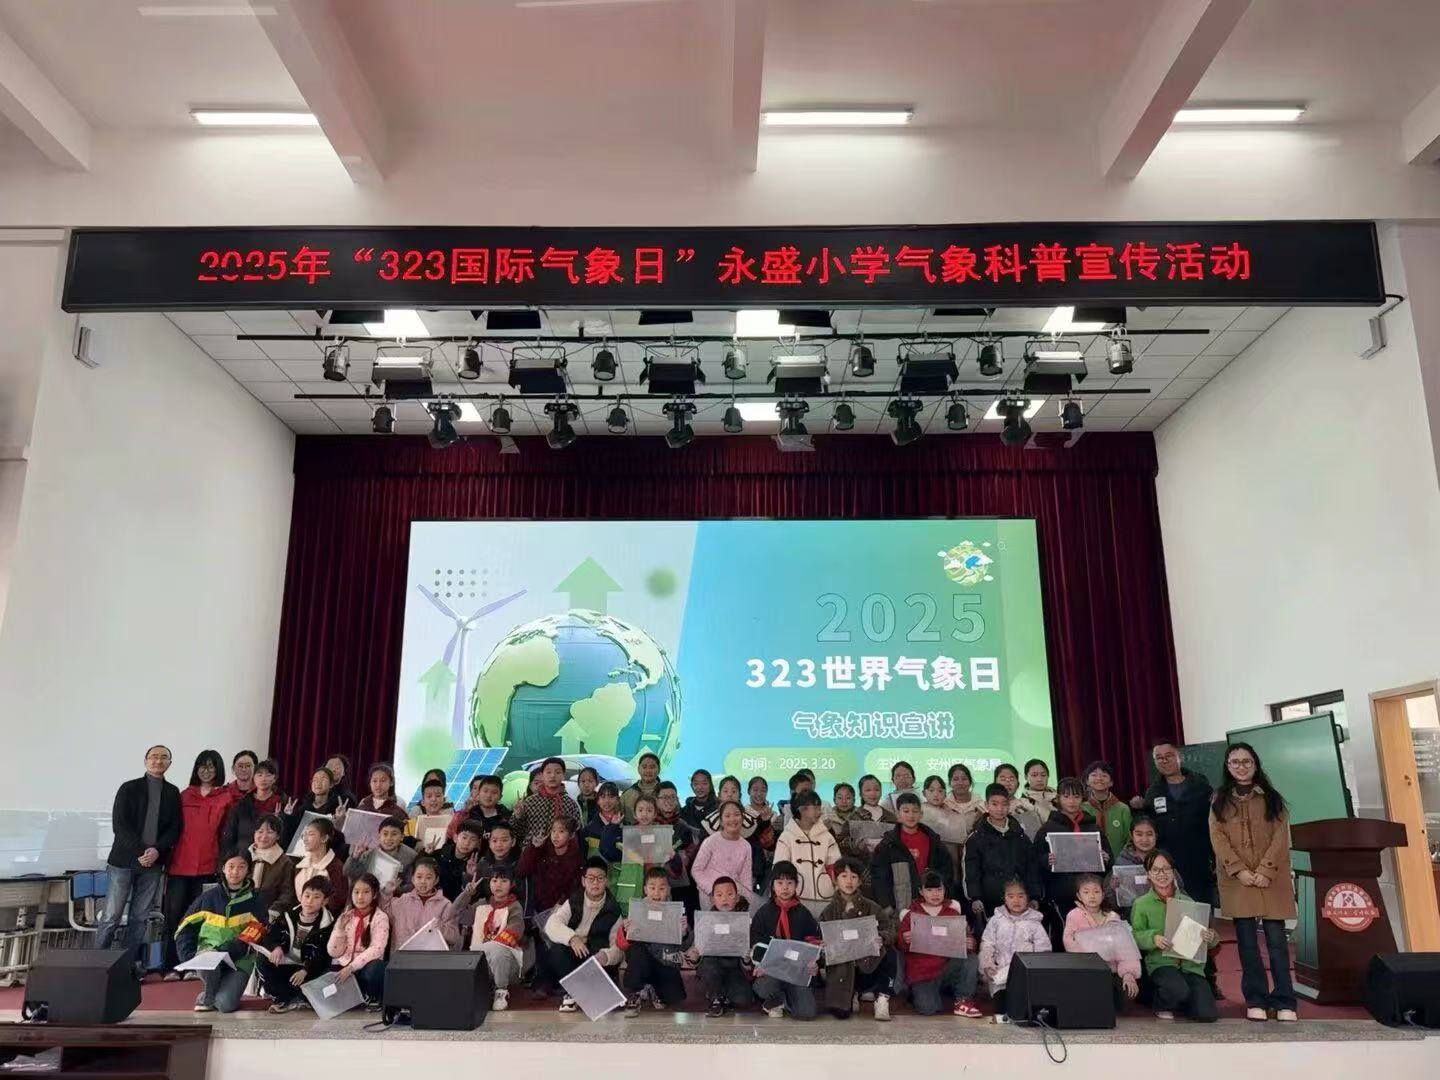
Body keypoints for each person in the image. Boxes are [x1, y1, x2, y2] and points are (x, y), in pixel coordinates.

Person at [1209, 742, 1298, 1022]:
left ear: (1255, 764)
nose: (1241, 767)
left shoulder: (1272, 798)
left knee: (1277, 943)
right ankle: (1256, 999)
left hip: (1271, 879)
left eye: (1246, 761)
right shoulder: (1219, 800)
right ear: (1227, 767)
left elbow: (1281, 837)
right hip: (1239, 881)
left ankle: (1284, 1001)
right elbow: (1218, 838)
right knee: (1247, 944)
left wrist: (1265, 869)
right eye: (1235, 762)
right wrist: (1239, 871)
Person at [97, 746, 181, 966]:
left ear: (169, 763)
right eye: (154, 757)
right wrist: (141, 851)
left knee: (140, 918)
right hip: (123, 862)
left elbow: (174, 828)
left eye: (164, 758)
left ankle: (127, 966)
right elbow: (120, 825)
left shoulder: (172, 792)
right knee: (111, 916)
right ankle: (97, 964)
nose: (158, 761)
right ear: (145, 761)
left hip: (153, 864)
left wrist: (157, 850)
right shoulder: (129, 788)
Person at [163, 749, 235, 978]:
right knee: (174, 916)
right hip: (179, 865)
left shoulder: (225, 798)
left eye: (211, 766)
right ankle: (173, 966)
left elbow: (226, 834)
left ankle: (195, 965)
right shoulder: (184, 795)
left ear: (218, 769)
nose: (206, 771)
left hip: (208, 867)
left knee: (201, 918)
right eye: (202, 766)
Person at [1131, 850, 1219, 1022]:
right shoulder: (1141, 904)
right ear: (1148, 874)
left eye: (1166, 869)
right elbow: (1135, 935)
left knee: (1207, 1014)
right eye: (1155, 870)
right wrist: (1153, 938)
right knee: (1177, 989)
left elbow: (1204, 935)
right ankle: (1160, 1002)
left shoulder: (1188, 901)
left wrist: (1211, 937)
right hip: (1162, 963)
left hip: (1190, 965)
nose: (1161, 874)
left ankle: (1182, 1000)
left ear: (1173, 872)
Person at [175, 849, 266, 1013]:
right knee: (207, 960)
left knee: (225, 1005)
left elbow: (256, 933)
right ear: (223, 868)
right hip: (209, 958)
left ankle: (209, 994)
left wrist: (223, 951)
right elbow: (184, 928)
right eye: (231, 866)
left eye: (241, 867)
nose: (235, 872)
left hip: (240, 961)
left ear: (248, 870)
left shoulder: (256, 900)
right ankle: (209, 995)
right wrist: (189, 957)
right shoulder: (208, 897)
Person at [1134, 738, 1216, 906]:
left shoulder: (1201, 786)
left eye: (1169, 756)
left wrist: (1215, 858)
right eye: (1159, 758)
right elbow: (1149, 827)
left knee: (1202, 910)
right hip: (1168, 864)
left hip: (1200, 861)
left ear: (1179, 757)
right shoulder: (1152, 792)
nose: (1164, 761)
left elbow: (1215, 823)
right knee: (1173, 912)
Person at [543, 856, 624, 1012]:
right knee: (557, 950)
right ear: (583, 881)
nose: (595, 883)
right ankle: (576, 993)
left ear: (606, 881)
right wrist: (572, 938)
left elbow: (618, 947)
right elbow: (551, 924)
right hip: (575, 955)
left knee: (603, 960)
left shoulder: (614, 910)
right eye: (591, 878)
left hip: (595, 959)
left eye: (600, 878)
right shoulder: (573, 901)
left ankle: (576, 994)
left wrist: (606, 956)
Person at [820, 857, 896, 1021]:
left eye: (853, 877)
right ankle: (852, 993)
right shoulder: (828, 912)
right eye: (844, 876)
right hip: (843, 969)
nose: (849, 881)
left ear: (860, 881)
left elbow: (889, 930)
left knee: (890, 952)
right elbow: (820, 943)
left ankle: (882, 997)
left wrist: (881, 937)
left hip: (867, 964)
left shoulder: (872, 907)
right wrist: (824, 946)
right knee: (841, 1014)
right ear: (835, 880)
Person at [898, 869, 982, 1017]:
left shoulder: (952, 912)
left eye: (939, 889)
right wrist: (904, 939)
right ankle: (918, 994)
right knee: (928, 1009)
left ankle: (963, 1000)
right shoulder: (911, 915)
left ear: (944, 890)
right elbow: (900, 944)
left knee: (971, 958)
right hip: (923, 974)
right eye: (929, 890)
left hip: (946, 969)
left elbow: (966, 939)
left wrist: (970, 943)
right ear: (921, 891)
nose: (935, 894)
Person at [1035, 777, 1114, 931]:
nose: (1071, 801)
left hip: (1090, 895)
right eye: (1066, 796)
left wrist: (1105, 859)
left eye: (1076, 796)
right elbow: (1035, 859)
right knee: (1063, 933)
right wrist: (1046, 860)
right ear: (1058, 798)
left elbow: (1109, 859)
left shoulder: (1093, 827)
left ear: (1082, 798)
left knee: (1093, 932)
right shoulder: (1048, 828)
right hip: (1060, 893)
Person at [748, 861, 820, 1020]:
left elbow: (813, 942)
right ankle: (778, 998)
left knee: (807, 1012)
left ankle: (779, 1002)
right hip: (771, 971)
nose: (785, 888)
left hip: (796, 972)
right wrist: (760, 964)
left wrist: (814, 964)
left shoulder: (803, 913)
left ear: (796, 886)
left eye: (790, 883)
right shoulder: (763, 913)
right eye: (780, 883)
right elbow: (755, 942)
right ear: (772, 886)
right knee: (763, 987)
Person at [618, 866, 692, 1016]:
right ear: (645, 889)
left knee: (674, 997)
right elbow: (622, 944)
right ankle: (637, 992)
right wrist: (626, 930)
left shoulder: (675, 911)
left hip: (665, 961)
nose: (657, 893)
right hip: (642, 960)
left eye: (662, 888)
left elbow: (686, 946)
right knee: (637, 953)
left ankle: (654, 988)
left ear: (668, 890)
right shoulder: (637, 910)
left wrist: (684, 932)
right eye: (652, 888)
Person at [256, 876, 336, 1013]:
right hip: (287, 963)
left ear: (325, 901)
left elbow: (323, 955)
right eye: (307, 895)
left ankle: (293, 997)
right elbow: (270, 935)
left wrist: (306, 970)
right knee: (263, 960)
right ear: (301, 896)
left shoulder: (328, 925)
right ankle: (285, 998)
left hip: (309, 970)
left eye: (316, 897)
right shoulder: (287, 916)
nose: (309, 901)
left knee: (320, 980)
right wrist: (276, 947)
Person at [964, 784, 1041, 924]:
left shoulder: (1020, 836)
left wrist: (1035, 895)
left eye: (1004, 804)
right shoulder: (976, 838)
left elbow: (1031, 868)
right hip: (990, 901)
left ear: (1009, 805)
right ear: (986, 805)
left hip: (1019, 901)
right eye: (994, 804)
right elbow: (971, 871)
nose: (1000, 809)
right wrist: (975, 897)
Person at [1063, 874, 1139, 1011]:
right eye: (1086, 892)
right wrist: (1092, 960)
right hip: (1087, 970)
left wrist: (1128, 974)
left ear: (1103, 894)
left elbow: (1125, 949)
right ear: (1079, 896)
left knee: (1127, 995)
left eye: (1096, 891)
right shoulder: (1074, 916)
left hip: (1111, 970)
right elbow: (1070, 942)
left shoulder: (1113, 917)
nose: (1092, 896)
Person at [978, 878, 1050, 1022]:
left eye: (1020, 896)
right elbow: (987, 943)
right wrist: (988, 964)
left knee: (1022, 1012)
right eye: (1010, 896)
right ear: (1004, 898)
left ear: (1027, 898)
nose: (1016, 900)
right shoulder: (996, 920)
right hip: (1000, 973)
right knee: (1001, 1011)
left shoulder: (1034, 923)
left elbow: (1043, 950)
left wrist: (1034, 971)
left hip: (1025, 975)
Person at [871, 792, 955, 912]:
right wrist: (886, 904)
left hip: (931, 904)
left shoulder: (933, 840)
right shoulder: (888, 844)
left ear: (921, 814)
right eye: (906, 811)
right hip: (900, 906)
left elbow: (946, 872)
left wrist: (945, 897)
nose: (911, 815)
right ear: (898, 815)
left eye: (915, 811)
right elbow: (880, 877)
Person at [694, 876, 754, 1017]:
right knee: (709, 965)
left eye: (729, 894)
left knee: (744, 1000)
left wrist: (746, 958)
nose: (724, 899)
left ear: (737, 898)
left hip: (733, 968)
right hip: (711, 965)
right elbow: (697, 950)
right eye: (719, 895)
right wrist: (695, 954)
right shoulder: (706, 920)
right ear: (712, 899)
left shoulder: (743, 921)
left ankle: (722, 994)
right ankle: (715, 998)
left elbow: (746, 962)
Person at [772, 790, 840, 913]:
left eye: (820, 808)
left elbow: (835, 866)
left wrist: (836, 886)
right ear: (802, 810)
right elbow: (779, 870)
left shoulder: (827, 836)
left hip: (825, 897)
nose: (820, 812)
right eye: (816, 808)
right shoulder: (786, 837)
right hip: (796, 897)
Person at [327, 872, 389, 1008]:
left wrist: (351, 967)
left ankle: (371, 996)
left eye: (366, 892)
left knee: (376, 969)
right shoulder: (346, 916)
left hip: (362, 969)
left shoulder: (380, 917)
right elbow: (333, 952)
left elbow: (377, 949)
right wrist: (339, 929)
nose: (360, 897)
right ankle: (352, 998)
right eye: (356, 892)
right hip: (344, 966)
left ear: (374, 894)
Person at [381, 855, 459, 950]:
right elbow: (383, 912)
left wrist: (442, 928)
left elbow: (454, 937)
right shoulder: (403, 900)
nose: (423, 881)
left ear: (436, 880)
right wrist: (386, 894)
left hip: (429, 957)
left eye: (428, 878)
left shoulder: (445, 905)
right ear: (413, 879)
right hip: (401, 955)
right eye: (419, 877)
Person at [516, 816, 584, 921]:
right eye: (553, 831)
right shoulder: (542, 849)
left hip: (561, 909)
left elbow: (573, 888)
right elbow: (521, 870)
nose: (555, 836)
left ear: (571, 835)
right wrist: (533, 847)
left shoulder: (575, 858)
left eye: (561, 831)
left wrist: (561, 904)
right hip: (535, 906)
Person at [692, 801, 754, 906]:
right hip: (710, 897)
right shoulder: (711, 841)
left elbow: (746, 878)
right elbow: (696, 870)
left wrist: (747, 900)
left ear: (742, 818)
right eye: (727, 816)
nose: (732, 819)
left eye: (737, 814)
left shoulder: (746, 846)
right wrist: (712, 891)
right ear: (721, 821)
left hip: (733, 898)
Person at [513, 756, 583, 846]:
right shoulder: (530, 801)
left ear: (563, 775)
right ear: (543, 775)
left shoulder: (571, 804)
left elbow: (576, 834)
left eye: (557, 772)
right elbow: (516, 832)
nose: (552, 775)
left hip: (560, 852)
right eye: (548, 772)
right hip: (531, 851)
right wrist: (518, 816)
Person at [220, 758, 284, 855]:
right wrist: (230, 856)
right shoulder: (242, 803)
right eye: (259, 775)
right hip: (243, 855)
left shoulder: (283, 803)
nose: (263, 779)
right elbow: (229, 834)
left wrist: (284, 817)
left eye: (268, 775)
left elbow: (286, 835)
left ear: (274, 779)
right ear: (253, 777)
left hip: (271, 856)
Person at [655, 782, 701, 911]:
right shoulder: (649, 825)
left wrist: (682, 858)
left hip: (680, 885)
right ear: (656, 800)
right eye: (664, 797)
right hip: (655, 885)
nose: (669, 801)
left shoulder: (683, 826)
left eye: (672, 797)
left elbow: (691, 855)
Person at [1108, 814, 1166, 914]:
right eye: (1139, 834)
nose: (1144, 839)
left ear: (1156, 836)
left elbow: (1179, 891)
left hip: (1160, 913)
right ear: (1131, 835)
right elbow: (1109, 903)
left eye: (1149, 834)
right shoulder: (1122, 862)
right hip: (1129, 915)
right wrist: (1113, 889)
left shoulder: (1163, 860)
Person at [292, 817, 347, 913]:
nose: (305, 839)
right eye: (304, 835)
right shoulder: (300, 866)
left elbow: (338, 901)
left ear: (324, 838)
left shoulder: (336, 867)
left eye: (311, 834)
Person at [282, 766, 345, 850]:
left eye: (323, 779)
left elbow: (339, 841)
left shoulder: (335, 810)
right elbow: (289, 836)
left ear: (331, 784)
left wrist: (339, 823)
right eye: (315, 779)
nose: (318, 782)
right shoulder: (303, 808)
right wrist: (287, 816)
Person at [343, 816, 416, 888]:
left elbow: (411, 884)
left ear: (402, 837)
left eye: (394, 834)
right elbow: (348, 873)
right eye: (385, 834)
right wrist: (355, 857)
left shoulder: (411, 856)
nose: (389, 838)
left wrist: (397, 889)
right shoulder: (368, 854)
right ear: (379, 836)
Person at [248, 813, 296, 917]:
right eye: (260, 831)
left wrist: (274, 912)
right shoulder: (244, 856)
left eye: (270, 832)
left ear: (278, 836)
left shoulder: (285, 862)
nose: (264, 836)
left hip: (268, 915)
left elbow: (287, 893)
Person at [1082, 760, 1132, 858]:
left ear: (1111, 782)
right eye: (1094, 775)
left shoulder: (1122, 809)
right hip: (1089, 861)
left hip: (1118, 861)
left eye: (1104, 775)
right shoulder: (1082, 808)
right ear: (1087, 781)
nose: (1099, 778)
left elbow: (1129, 840)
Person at [920, 774, 972, 867]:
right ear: (924, 793)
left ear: (945, 794)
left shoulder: (948, 809)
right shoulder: (921, 810)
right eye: (931, 790)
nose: (936, 794)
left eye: (940, 791)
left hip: (953, 858)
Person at [433, 819, 486, 901]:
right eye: (464, 837)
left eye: (472, 839)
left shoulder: (478, 862)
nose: (467, 843)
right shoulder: (440, 854)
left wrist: (470, 876)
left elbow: (475, 896)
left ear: (477, 843)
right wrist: (425, 853)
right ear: (455, 838)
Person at [581, 781, 626, 867]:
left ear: (618, 800)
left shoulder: (626, 825)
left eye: (611, 797)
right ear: (598, 800)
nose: (607, 801)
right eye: (603, 797)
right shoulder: (589, 829)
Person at [993, 763, 1042, 838]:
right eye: (1003, 779)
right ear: (995, 783)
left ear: (1018, 784)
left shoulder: (1027, 805)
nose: (1007, 783)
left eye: (1011, 779)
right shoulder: (985, 807)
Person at [408, 777, 451, 849]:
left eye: (438, 796)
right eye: (429, 796)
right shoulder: (414, 823)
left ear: (444, 800)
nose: (433, 799)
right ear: (422, 802)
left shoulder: (450, 821)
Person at [944, 764, 984, 838]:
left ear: (970, 782)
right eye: (956, 779)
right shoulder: (943, 803)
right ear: (950, 783)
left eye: (964, 779)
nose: (960, 783)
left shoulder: (980, 804)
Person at [622, 753, 663, 822]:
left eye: (652, 767)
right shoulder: (627, 795)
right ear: (638, 769)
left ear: (659, 770)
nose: (648, 770)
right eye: (644, 767)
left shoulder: (666, 793)